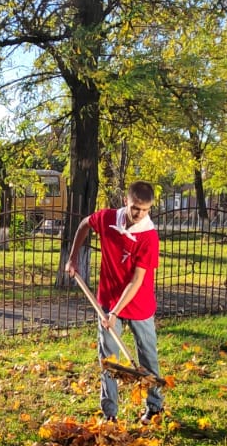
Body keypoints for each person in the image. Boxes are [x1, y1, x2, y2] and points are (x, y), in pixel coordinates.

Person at [65, 180, 165, 423]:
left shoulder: (149, 236)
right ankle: (110, 413)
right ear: (125, 201)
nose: (139, 214)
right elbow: (84, 224)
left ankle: (154, 407)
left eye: (145, 210)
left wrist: (116, 313)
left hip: (138, 305)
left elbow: (137, 280)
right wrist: (73, 258)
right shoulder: (108, 218)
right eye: (135, 208)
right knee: (109, 360)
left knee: (148, 358)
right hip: (108, 302)